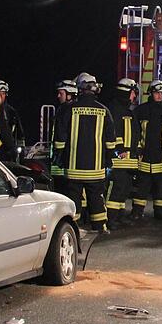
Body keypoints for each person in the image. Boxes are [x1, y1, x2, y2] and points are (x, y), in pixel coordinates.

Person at [53, 73, 114, 232]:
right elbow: (110, 140)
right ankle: (100, 227)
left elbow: (60, 138)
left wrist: (59, 156)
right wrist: (108, 159)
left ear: (79, 89)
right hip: (96, 169)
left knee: (74, 199)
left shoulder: (68, 109)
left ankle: (74, 229)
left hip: (74, 168)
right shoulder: (104, 111)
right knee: (96, 199)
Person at [132, 80, 162, 221]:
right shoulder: (141, 110)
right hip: (145, 157)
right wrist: (137, 149)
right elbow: (135, 132)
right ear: (150, 93)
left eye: (161, 93)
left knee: (161, 188)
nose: (159, 96)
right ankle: (137, 212)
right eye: (156, 93)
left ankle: (161, 213)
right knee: (142, 188)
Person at [106, 78, 140, 229]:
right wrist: (119, 150)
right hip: (119, 158)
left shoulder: (126, 110)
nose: (134, 97)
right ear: (127, 92)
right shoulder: (115, 109)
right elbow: (113, 132)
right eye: (133, 93)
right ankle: (111, 218)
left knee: (124, 188)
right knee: (116, 189)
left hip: (128, 159)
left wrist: (137, 151)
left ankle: (119, 216)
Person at [50, 79, 78, 193]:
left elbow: (61, 135)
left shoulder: (66, 110)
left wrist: (59, 156)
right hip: (64, 160)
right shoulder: (64, 109)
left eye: (61, 93)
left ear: (69, 95)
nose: (58, 96)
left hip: (63, 161)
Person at [0, 79, 26, 162]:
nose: (1, 97)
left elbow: (19, 133)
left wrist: (20, 150)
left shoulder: (11, 112)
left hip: (7, 152)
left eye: (3, 94)